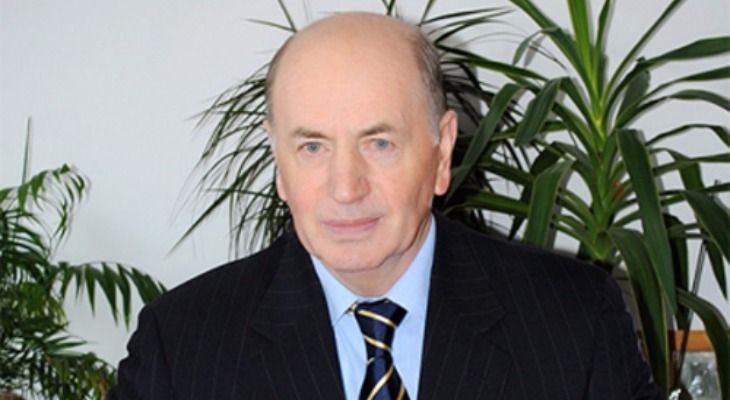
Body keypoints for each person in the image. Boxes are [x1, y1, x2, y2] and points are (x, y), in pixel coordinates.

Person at [109, 12, 661, 400]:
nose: (346, 188)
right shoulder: (181, 345)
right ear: (279, 160)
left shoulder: (574, 321)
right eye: (313, 147)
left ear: (441, 150)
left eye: (379, 143)